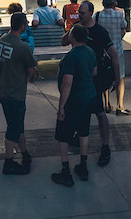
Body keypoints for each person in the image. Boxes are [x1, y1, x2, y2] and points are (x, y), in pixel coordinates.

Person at [64, 1, 119, 167]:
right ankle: (79, 136)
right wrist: (71, 31)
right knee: (79, 110)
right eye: (79, 12)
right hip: (78, 79)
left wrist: (117, 78)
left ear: (91, 13)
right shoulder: (77, 28)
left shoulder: (100, 32)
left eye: (82, 13)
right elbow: (63, 42)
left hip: (94, 79)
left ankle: (105, 146)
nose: (79, 15)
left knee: (99, 112)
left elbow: (113, 55)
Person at [51, 25, 97, 187]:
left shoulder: (71, 57)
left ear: (72, 37)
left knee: (64, 135)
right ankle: (83, 167)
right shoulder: (90, 52)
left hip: (74, 100)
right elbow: (94, 72)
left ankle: (65, 171)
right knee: (84, 132)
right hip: (88, 96)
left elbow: (67, 82)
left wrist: (61, 106)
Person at [0, 12, 38, 175]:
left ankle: (25, 153)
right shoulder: (23, 47)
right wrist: (33, 74)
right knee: (13, 129)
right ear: (23, 26)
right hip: (16, 94)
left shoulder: (1, 41)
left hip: (3, 91)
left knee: (18, 126)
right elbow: (32, 71)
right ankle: (8, 162)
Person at [95, 0, 131, 116]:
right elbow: (124, 27)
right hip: (117, 51)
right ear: (114, 3)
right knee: (120, 78)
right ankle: (120, 106)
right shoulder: (119, 14)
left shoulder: (98, 15)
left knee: (105, 77)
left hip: (103, 52)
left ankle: (106, 103)